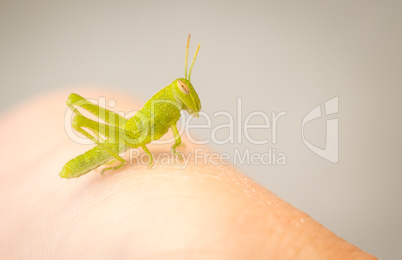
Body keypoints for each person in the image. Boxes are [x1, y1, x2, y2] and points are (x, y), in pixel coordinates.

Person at [0, 90, 376, 259]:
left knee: (134, 136)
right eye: (184, 91)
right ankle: (104, 150)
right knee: (127, 132)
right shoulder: (161, 108)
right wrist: (134, 149)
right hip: (125, 136)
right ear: (175, 95)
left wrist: (171, 143)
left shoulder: (172, 109)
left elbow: (172, 132)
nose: (187, 96)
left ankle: (114, 154)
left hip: (132, 138)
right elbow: (144, 134)